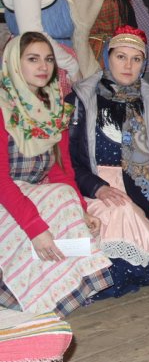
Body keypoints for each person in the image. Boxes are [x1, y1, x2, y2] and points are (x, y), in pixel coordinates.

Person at [69, 26, 149, 298]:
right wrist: (96, 187)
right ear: (107, 58)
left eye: (136, 59)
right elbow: (70, 159)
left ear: (144, 65)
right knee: (117, 211)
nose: (128, 65)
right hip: (90, 185)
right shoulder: (82, 98)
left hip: (136, 184)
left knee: (136, 219)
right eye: (121, 57)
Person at [0, 32, 111, 315]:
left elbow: (62, 172)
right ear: (13, 63)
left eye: (49, 59)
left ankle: (46, 295)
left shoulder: (53, 109)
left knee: (66, 200)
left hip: (27, 197)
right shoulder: (2, 107)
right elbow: (1, 181)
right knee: (56, 202)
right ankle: (25, 296)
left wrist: (81, 210)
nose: (43, 66)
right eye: (33, 59)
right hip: (5, 197)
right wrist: (36, 229)